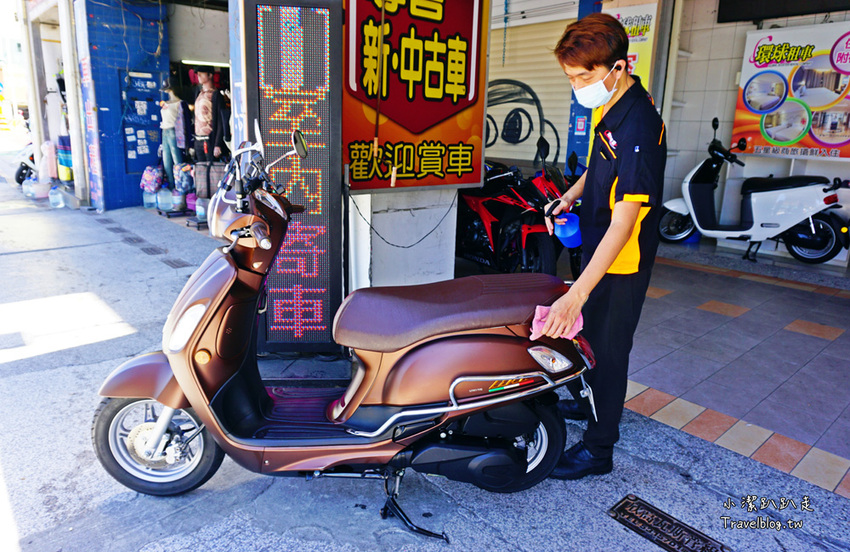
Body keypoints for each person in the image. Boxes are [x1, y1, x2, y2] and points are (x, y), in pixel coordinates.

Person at [541, 13, 667, 480]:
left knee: (610, 353)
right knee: (590, 339)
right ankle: (588, 403)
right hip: (597, 248)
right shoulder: (610, 103)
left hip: (621, 261)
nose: (577, 86)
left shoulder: (639, 129)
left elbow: (625, 222)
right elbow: (598, 167)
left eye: (582, 77)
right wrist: (570, 196)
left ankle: (599, 450)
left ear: (617, 67)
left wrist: (576, 293)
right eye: (570, 77)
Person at [193, 66, 226, 162]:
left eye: (201, 73)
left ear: (210, 75)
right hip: (198, 138)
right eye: (197, 74)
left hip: (209, 139)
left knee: (212, 167)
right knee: (201, 167)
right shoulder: (199, 93)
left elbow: (220, 121)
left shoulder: (216, 95)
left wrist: (217, 144)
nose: (198, 76)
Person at [159, 84, 183, 186]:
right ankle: (171, 186)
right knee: (166, 160)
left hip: (173, 130)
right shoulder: (166, 102)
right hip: (164, 130)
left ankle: (180, 185)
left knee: (176, 159)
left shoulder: (180, 103)